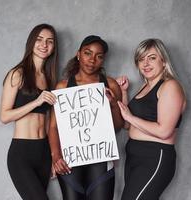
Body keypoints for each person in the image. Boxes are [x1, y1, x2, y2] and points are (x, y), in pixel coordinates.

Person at [48, 35, 124, 200]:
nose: (92, 60)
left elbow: (118, 126)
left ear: (103, 60)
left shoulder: (110, 85)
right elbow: (53, 127)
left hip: (101, 161)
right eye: (88, 53)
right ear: (78, 54)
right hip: (71, 161)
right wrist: (56, 156)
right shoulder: (63, 87)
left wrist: (111, 103)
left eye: (99, 56)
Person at [116, 38, 186, 200]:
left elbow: (164, 131)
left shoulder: (170, 86)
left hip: (155, 157)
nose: (146, 63)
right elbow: (128, 125)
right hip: (134, 157)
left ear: (163, 60)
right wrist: (124, 93)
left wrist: (130, 117)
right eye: (141, 59)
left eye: (152, 58)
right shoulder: (144, 86)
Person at [0, 23, 58, 200]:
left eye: (49, 41)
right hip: (22, 153)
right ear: (31, 42)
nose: (44, 45)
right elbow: (4, 116)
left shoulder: (49, 78)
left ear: (53, 47)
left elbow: (48, 121)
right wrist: (36, 102)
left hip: (43, 153)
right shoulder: (17, 74)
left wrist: (53, 156)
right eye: (39, 40)